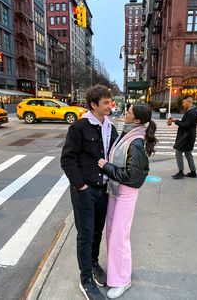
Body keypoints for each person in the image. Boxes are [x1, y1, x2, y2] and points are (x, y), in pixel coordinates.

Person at [61, 84, 118, 300]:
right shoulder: (79, 127)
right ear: (94, 105)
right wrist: (81, 186)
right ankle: (85, 280)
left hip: (103, 190)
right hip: (85, 190)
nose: (109, 105)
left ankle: (93, 263)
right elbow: (67, 159)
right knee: (85, 235)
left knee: (96, 232)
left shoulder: (109, 127)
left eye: (109, 101)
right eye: (105, 102)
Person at [98, 104, 157, 299]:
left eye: (129, 112)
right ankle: (116, 275)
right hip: (116, 191)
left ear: (137, 120)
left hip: (125, 192)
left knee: (119, 237)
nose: (125, 114)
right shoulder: (129, 134)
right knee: (112, 233)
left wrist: (106, 166)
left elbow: (133, 177)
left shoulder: (136, 141)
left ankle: (123, 280)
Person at [167, 95, 197, 179]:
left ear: (188, 102)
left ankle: (181, 172)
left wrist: (176, 121)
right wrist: (176, 120)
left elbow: (186, 125)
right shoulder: (192, 111)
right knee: (188, 154)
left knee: (178, 153)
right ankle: (193, 172)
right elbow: (187, 123)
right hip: (188, 136)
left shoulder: (192, 112)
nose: (183, 104)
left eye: (184, 102)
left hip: (186, 137)